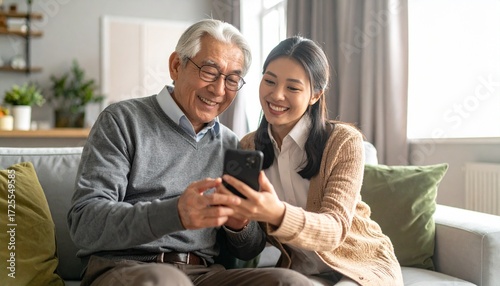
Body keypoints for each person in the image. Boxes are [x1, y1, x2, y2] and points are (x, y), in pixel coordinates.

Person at [67, 19, 314, 286]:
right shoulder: (122, 120)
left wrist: (239, 224)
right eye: (209, 71)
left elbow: (250, 249)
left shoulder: (231, 145)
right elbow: (85, 222)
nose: (219, 90)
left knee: (291, 282)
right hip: (126, 268)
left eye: (232, 79)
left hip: (204, 275)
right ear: (176, 66)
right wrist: (175, 213)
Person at [218, 36, 404, 285]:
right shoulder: (248, 147)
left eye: (293, 88)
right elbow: (250, 248)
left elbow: (335, 228)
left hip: (361, 266)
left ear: (315, 95)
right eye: (269, 81)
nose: (277, 95)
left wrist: (277, 213)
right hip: (302, 273)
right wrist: (238, 226)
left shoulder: (344, 142)